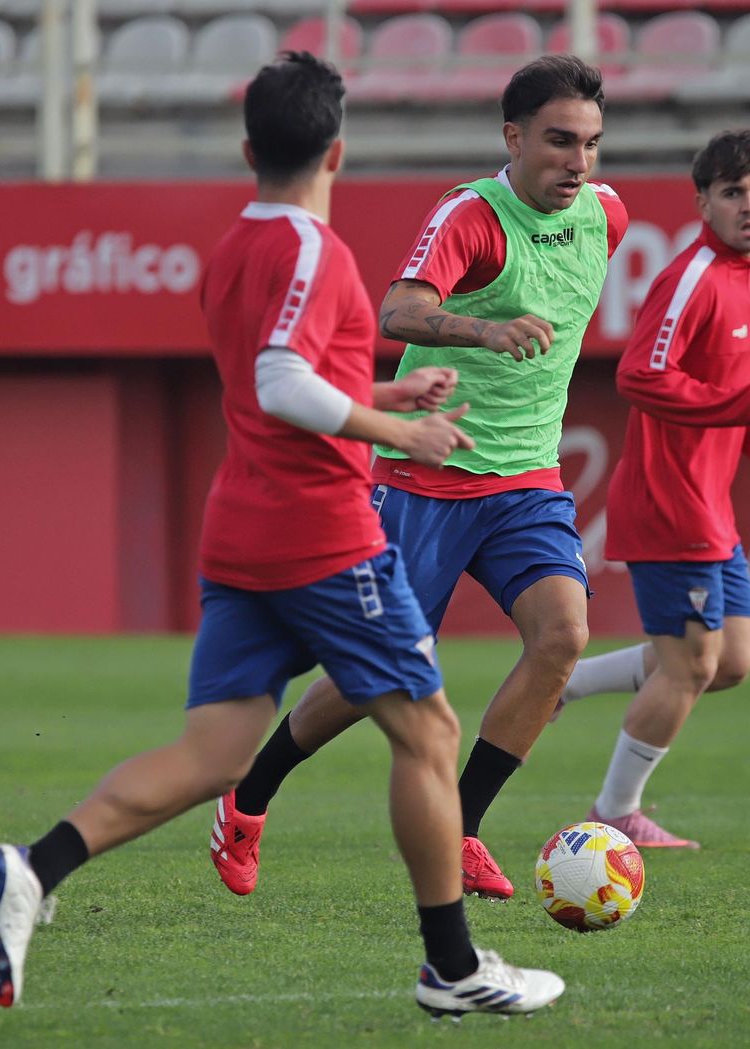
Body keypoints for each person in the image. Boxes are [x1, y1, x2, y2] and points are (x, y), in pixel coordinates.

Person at [0, 52, 565, 1019]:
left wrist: (384, 391)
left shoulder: (231, 252)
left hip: (240, 531)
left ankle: (32, 869)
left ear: (250, 148)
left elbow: (282, 380)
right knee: (428, 732)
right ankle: (451, 968)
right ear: (338, 150)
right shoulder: (314, 251)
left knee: (213, 755)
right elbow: (282, 387)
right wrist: (401, 430)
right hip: (319, 536)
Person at [211, 54, 629, 901]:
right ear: (513, 138)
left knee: (563, 637)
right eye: (558, 142)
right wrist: (483, 331)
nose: (577, 163)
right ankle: (247, 798)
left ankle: (465, 828)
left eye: (590, 144)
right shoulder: (472, 215)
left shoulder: (608, 217)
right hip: (426, 476)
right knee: (375, 681)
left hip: (526, 481)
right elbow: (399, 308)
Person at [555, 129, 750, 849]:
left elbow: (717, 383)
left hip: (710, 504)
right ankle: (613, 812)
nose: (749, 206)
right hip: (671, 503)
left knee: (730, 662)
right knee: (692, 664)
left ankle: (563, 684)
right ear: (703, 202)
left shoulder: (741, 272)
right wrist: (745, 406)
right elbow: (639, 376)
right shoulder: (693, 274)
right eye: (732, 193)